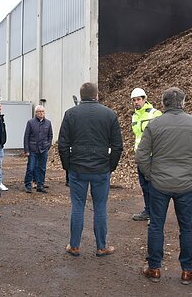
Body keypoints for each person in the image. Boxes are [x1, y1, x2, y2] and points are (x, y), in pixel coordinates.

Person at [136, 87, 192, 285]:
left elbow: (141, 155)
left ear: (163, 104)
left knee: (156, 225)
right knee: (187, 227)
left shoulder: (154, 125)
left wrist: (150, 175)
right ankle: (187, 271)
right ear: (183, 102)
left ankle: (154, 268)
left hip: (159, 184)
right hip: (185, 185)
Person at [58, 82, 123, 257]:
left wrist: (67, 166)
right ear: (96, 94)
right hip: (101, 168)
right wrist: (111, 166)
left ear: (81, 96)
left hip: (77, 168)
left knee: (77, 206)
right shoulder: (109, 114)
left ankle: (74, 245)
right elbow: (117, 146)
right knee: (100, 207)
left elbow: (62, 144)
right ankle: (101, 246)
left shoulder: (71, 114)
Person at [130, 88, 162, 222]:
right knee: (144, 185)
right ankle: (148, 211)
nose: (136, 102)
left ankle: (155, 214)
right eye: (134, 100)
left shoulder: (155, 114)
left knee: (153, 186)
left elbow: (161, 135)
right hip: (141, 156)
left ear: (144, 99)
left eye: (138, 99)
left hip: (152, 156)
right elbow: (138, 136)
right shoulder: (135, 116)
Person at [23, 105, 53, 193]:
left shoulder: (48, 123)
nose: (41, 113)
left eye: (43, 111)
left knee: (42, 168)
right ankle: (28, 185)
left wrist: (48, 145)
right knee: (31, 168)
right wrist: (26, 150)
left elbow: (50, 135)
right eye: (39, 111)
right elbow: (26, 137)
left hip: (43, 149)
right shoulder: (30, 122)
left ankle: (40, 185)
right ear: (36, 113)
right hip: (33, 149)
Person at [0, 100, 8, 191]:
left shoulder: (0, 118)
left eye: (0, 106)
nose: (0, 108)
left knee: (0, 165)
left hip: (0, 145)